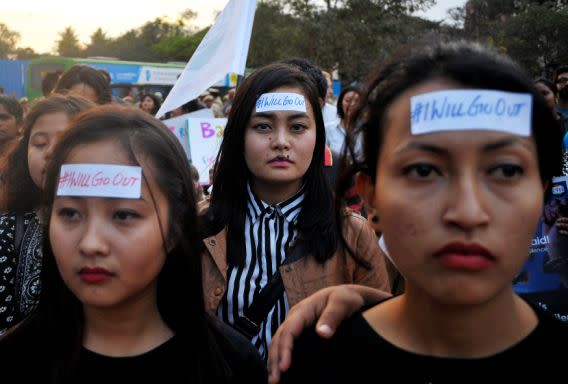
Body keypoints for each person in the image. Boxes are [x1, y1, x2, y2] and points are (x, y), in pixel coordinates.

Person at [270, 41, 568, 383]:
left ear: (542, 192)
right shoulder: (314, 362)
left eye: (506, 171)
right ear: (372, 197)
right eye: (424, 171)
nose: (467, 213)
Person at [0, 105, 267, 383]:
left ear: (175, 228)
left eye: (123, 215)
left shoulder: (232, 365)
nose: (91, 244)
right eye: (70, 213)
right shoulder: (13, 361)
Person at [201, 62, 390, 359]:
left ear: (317, 138)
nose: (281, 142)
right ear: (239, 134)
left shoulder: (353, 233)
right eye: (263, 126)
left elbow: (378, 343)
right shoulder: (197, 228)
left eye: (298, 127)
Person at [0, 95, 95, 334]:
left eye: (66, 142)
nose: (51, 151)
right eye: (40, 143)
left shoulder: (128, 229)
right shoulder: (7, 231)